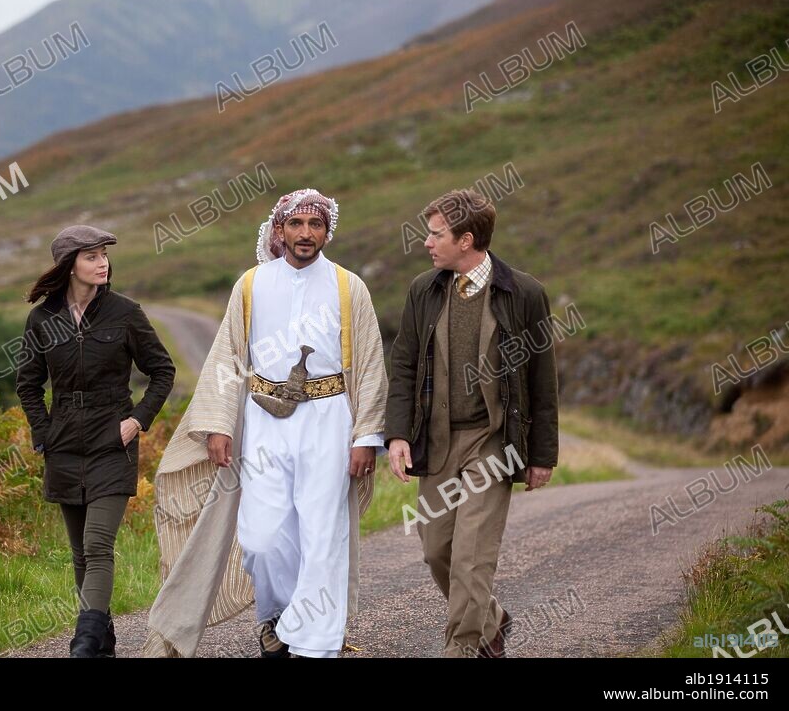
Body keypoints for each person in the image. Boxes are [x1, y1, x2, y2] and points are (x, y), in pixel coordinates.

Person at [142, 189, 387, 658]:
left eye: (315, 224)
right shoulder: (251, 285)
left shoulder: (347, 285)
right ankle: (277, 618)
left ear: (327, 231)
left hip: (328, 419)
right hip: (264, 421)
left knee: (322, 531)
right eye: (296, 224)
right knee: (261, 537)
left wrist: (367, 436)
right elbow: (227, 359)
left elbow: (372, 363)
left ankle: (314, 644)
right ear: (279, 230)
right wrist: (218, 424)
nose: (306, 233)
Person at [384, 188, 559, 658]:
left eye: (436, 234)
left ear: (466, 240)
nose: (426, 242)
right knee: (436, 549)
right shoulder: (425, 289)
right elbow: (402, 365)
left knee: (470, 558)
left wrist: (542, 455)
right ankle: (492, 618)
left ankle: (462, 647)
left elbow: (542, 380)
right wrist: (398, 434)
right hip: (437, 441)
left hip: (492, 444)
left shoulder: (523, 293)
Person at [15, 224, 175, 657]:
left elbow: (163, 371)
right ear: (69, 266)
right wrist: (43, 432)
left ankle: (83, 643)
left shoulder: (125, 312)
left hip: (112, 441)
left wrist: (137, 421)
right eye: (91, 255)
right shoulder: (42, 319)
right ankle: (102, 639)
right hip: (63, 443)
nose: (102, 262)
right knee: (79, 553)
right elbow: (28, 385)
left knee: (98, 544)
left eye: (104, 254)